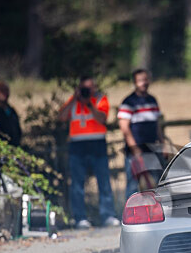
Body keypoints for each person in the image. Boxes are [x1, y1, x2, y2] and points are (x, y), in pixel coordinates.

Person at [58, 76, 119, 229]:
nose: (87, 91)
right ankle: (80, 218)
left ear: (95, 87)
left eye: (90, 88)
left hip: (97, 145)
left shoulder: (100, 100)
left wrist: (89, 104)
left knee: (104, 181)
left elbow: (102, 119)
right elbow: (62, 117)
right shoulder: (73, 101)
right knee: (77, 184)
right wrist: (75, 99)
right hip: (77, 147)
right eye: (84, 88)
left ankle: (108, 215)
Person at [118, 69, 167, 199]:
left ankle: (157, 212)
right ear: (135, 82)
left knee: (156, 183)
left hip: (151, 149)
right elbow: (124, 128)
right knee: (133, 185)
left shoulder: (152, 100)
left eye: (145, 80)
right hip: (135, 151)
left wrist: (162, 143)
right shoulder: (128, 102)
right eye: (140, 80)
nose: (143, 83)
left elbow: (156, 124)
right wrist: (135, 148)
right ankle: (131, 214)